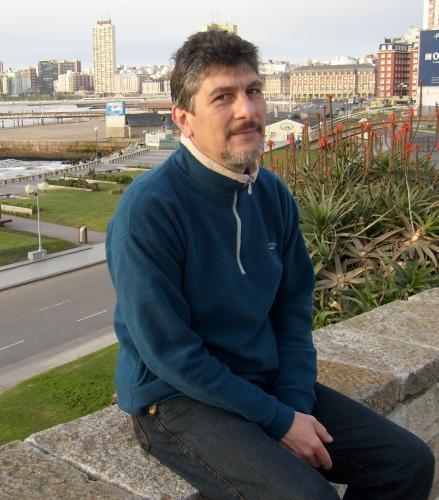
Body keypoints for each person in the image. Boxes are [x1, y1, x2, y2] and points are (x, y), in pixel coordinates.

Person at [106, 30, 434, 499]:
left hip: (260, 379)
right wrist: (279, 421)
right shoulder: (150, 209)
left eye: (253, 91)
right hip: (175, 398)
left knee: (407, 462)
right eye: (223, 97)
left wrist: (294, 405)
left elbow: (292, 310)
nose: (247, 110)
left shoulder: (271, 193)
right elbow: (169, 352)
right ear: (184, 119)